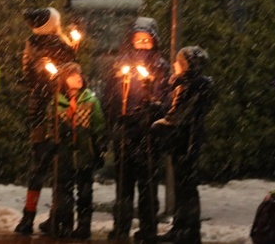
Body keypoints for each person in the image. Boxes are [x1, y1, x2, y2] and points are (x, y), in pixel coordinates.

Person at [103, 17, 171, 243]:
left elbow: (166, 98)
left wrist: (154, 107)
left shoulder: (161, 67)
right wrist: (116, 117)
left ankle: (148, 227)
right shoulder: (120, 65)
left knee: (147, 184)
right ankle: (120, 225)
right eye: (137, 39)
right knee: (124, 184)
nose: (141, 44)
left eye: (146, 39)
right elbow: (110, 96)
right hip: (126, 131)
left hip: (149, 133)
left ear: (154, 40)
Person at [14, 8, 77, 235]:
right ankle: (51, 218)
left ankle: (32, 218)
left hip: (41, 109)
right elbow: (72, 75)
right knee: (55, 166)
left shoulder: (32, 43)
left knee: (40, 165)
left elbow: (25, 75)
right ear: (52, 24)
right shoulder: (60, 45)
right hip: (54, 111)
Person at [152, 46, 213, 244]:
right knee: (182, 187)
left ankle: (188, 230)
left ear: (187, 65)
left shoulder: (193, 86)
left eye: (179, 63)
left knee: (186, 188)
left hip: (187, 142)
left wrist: (160, 123)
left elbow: (179, 116)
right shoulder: (184, 85)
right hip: (182, 141)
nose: (175, 66)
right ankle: (181, 227)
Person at [41, 62, 106, 239]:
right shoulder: (56, 103)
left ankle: (84, 226)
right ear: (63, 80)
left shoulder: (91, 102)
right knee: (64, 191)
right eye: (72, 75)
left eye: (79, 73)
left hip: (85, 154)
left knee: (85, 192)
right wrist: (54, 139)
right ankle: (66, 224)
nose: (78, 77)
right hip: (64, 156)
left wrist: (99, 149)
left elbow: (98, 127)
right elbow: (50, 127)